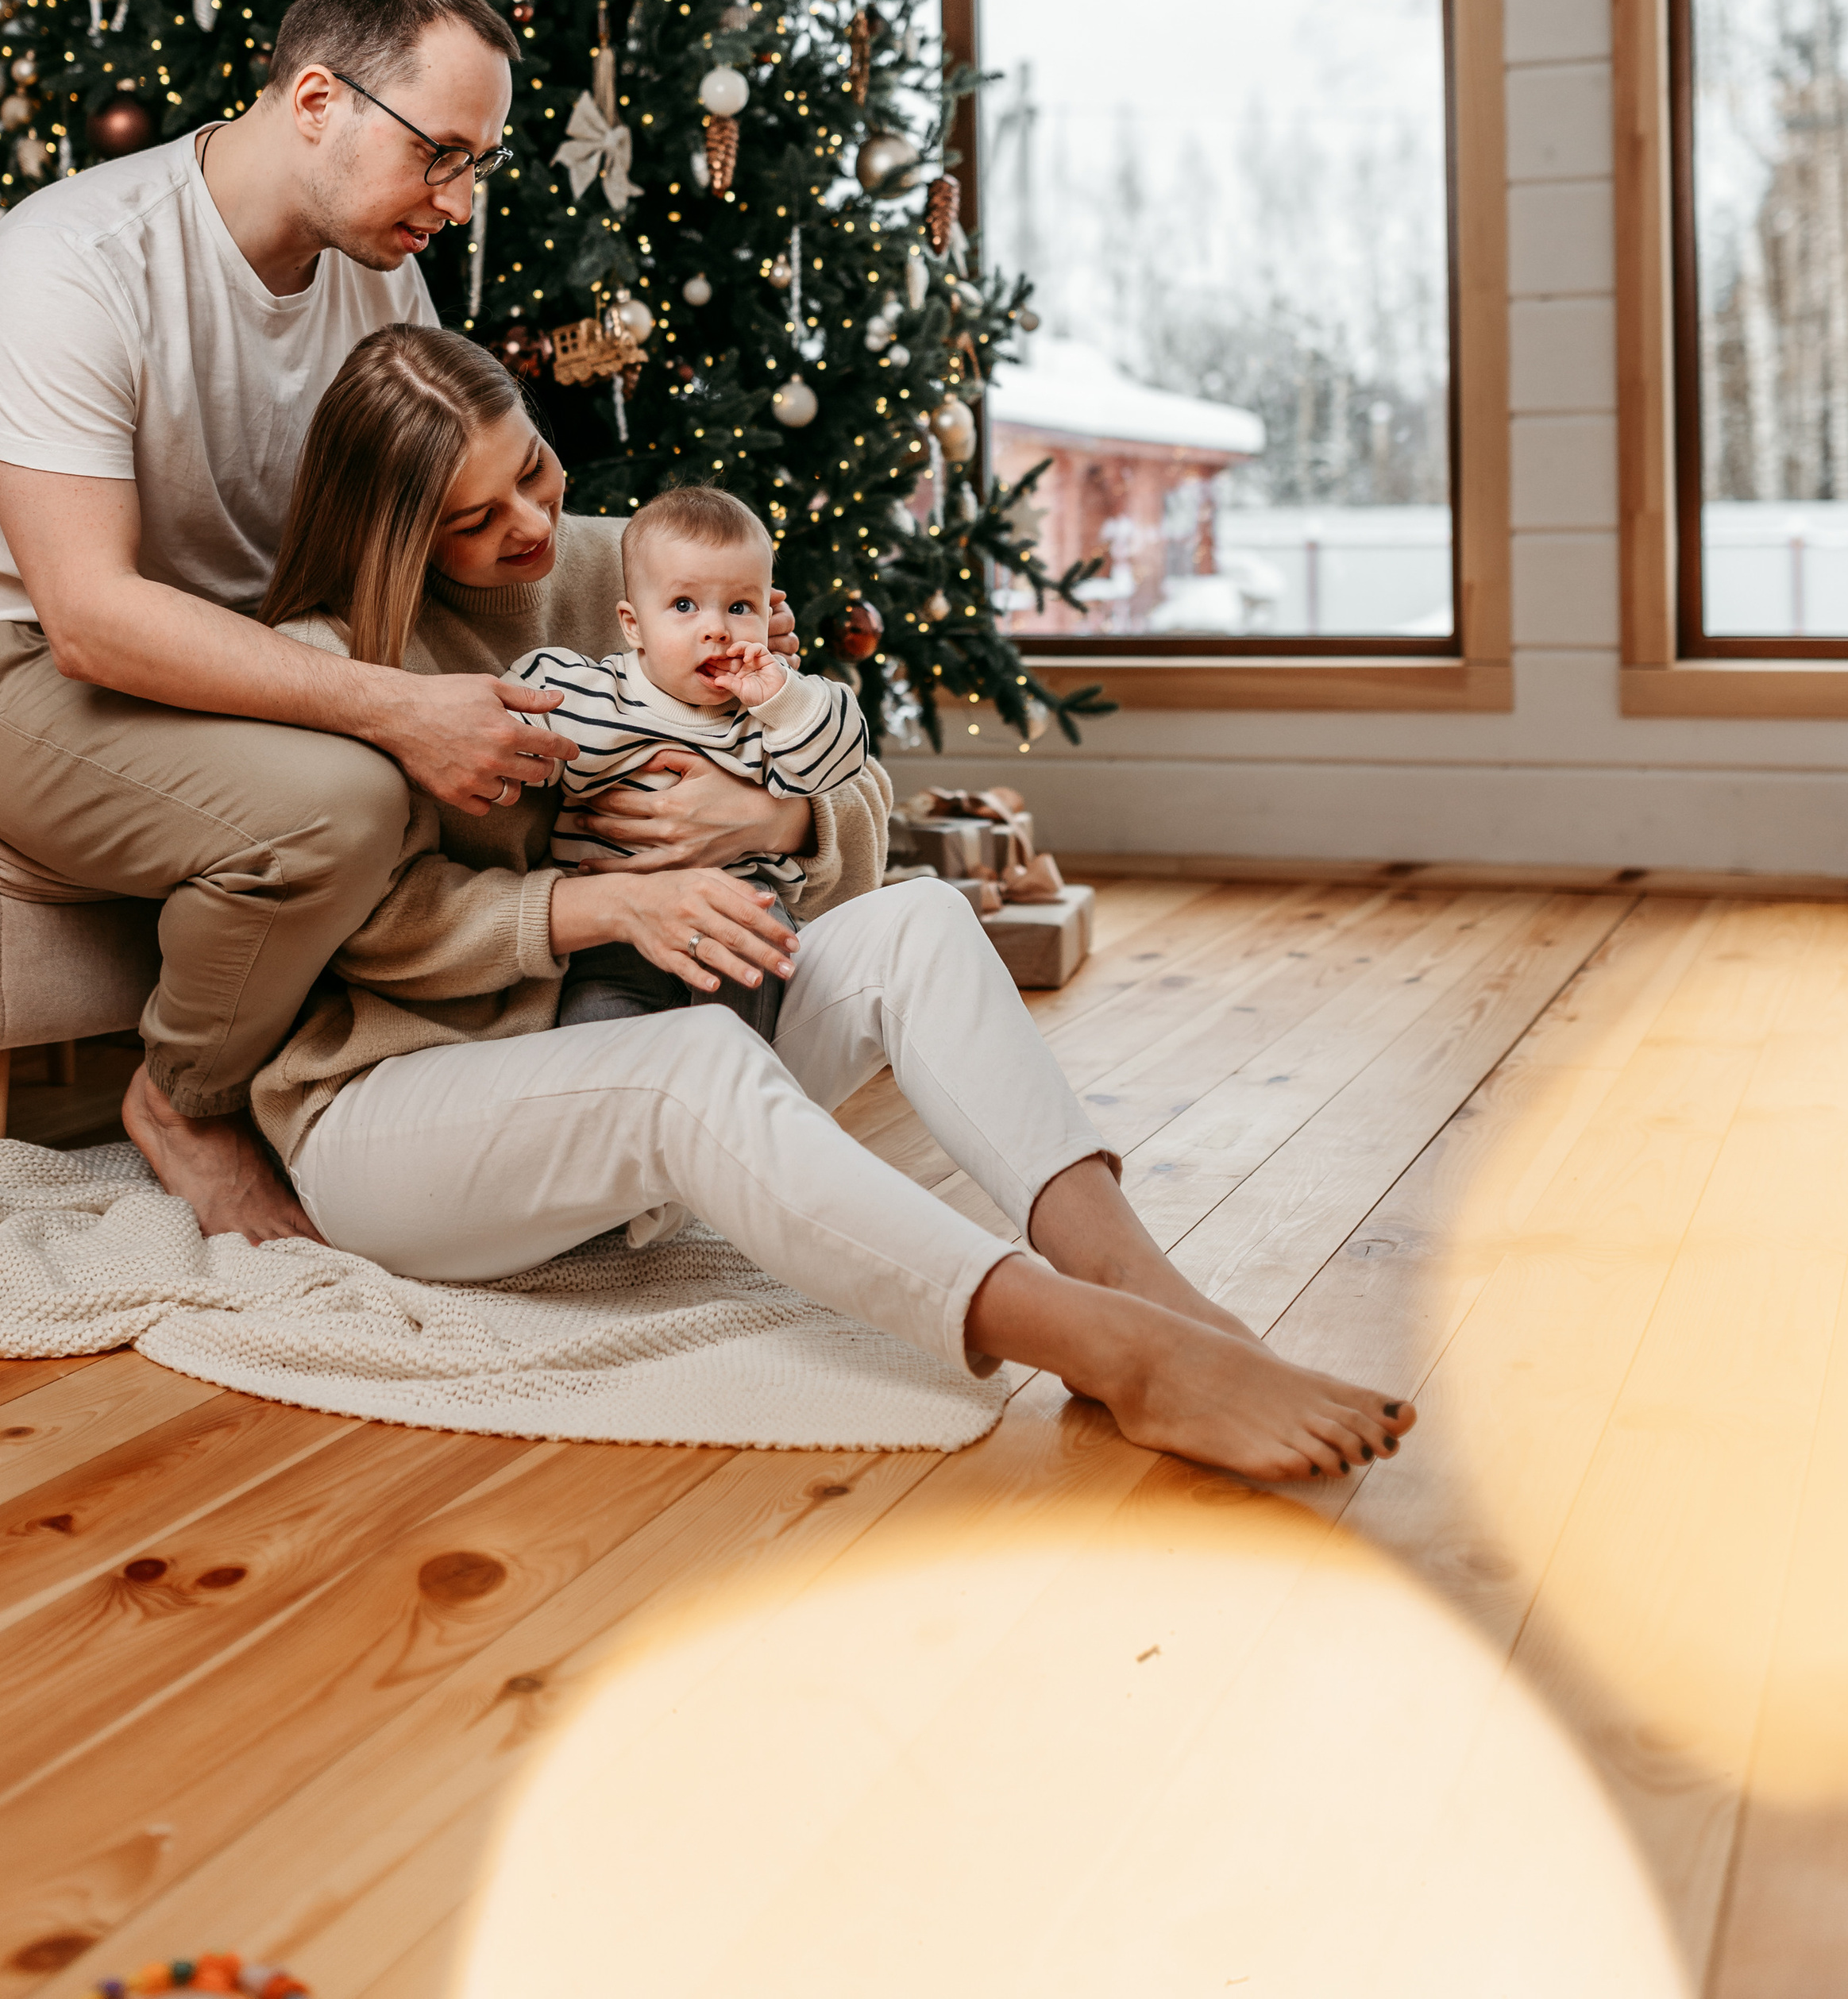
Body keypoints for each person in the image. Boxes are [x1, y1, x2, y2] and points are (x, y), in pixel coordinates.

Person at [249, 325, 1418, 1484]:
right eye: (476, 518)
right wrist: (597, 910)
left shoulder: (638, 569)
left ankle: (1138, 1282)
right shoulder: (328, 656)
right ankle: (1112, 1349)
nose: (535, 525)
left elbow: (842, 778)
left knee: (920, 920)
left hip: (623, 1056)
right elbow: (352, 920)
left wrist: (771, 822)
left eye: (536, 469)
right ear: (395, 528)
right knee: (688, 1056)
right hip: (402, 1114)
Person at [0, 0, 853, 1241]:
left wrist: (692, 600)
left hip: (255, 627)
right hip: (16, 664)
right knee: (342, 802)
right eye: (440, 153)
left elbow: (451, 509)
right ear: (319, 99)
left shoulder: (375, 262)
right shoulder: (71, 266)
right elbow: (93, 618)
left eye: (477, 164)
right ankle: (186, 1099)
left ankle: (534, 1073)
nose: (455, 200)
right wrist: (393, 707)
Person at [512, 480, 870, 1040]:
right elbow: (506, 719)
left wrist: (785, 695)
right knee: (597, 1039)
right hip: (613, 941)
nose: (717, 628)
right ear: (634, 624)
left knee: (736, 1042)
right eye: (684, 605)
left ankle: (742, 1087)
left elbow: (843, 758)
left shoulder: (764, 716)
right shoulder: (590, 695)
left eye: (740, 606)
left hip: (741, 922)